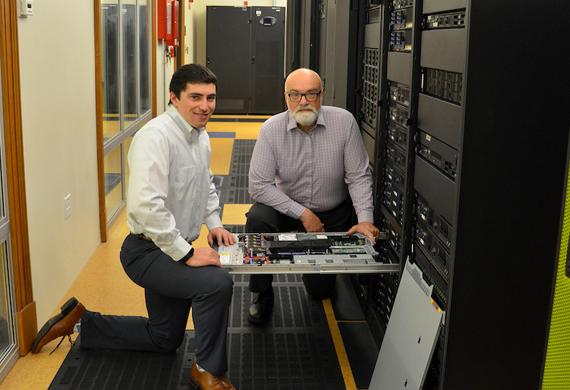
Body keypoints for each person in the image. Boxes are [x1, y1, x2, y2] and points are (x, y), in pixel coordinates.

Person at [31, 64, 237, 390]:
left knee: (164, 338)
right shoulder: (156, 137)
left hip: (170, 246)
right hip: (147, 252)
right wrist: (186, 255)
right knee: (215, 284)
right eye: (195, 97)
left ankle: (83, 321)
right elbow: (146, 207)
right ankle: (207, 370)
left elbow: (205, 185)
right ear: (174, 97)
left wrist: (213, 223)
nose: (205, 106)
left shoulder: (200, 136)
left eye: (210, 98)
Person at [246, 68, 380, 325]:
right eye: (295, 95)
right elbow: (258, 186)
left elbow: (358, 176)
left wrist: (365, 219)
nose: (303, 101)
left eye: (311, 94)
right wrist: (303, 214)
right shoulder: (271, 130)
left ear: (322, 95)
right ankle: (261, 292)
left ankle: (316, 272)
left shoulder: (344, 123)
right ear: (286, 97)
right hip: (286, 211)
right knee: (257, 217)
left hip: (331, 214)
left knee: (320, 293)